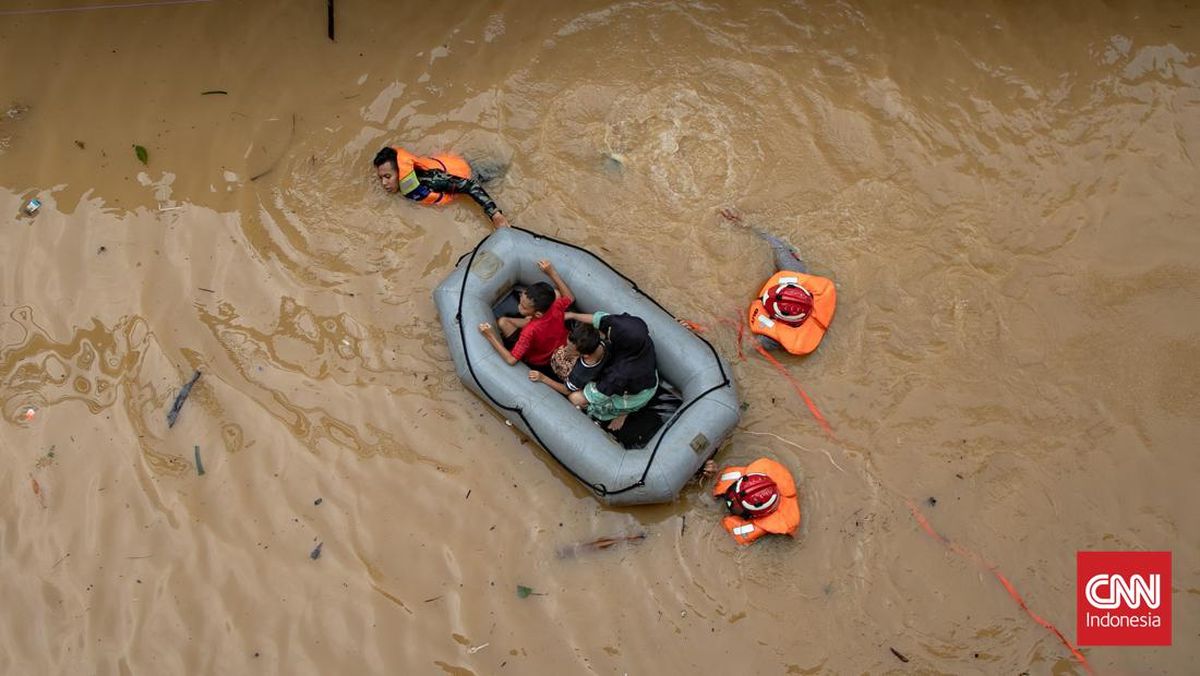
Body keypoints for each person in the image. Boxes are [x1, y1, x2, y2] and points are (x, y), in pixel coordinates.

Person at [721, 207, 836, 355]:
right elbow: (777, 246)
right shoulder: (796, 273)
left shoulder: (768, 339)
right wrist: (744, 223)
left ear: (777, 318)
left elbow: (740, 350)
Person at [557, 310, 658, 431]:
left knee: (576, 398)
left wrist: (542, 378)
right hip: (645, 373)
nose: (604, 332)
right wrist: (573, 315)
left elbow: (597, 393)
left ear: (585, 355)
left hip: (635, 393)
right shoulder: (635, 335)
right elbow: (602, 320)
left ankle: (623, 412)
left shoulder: (620, 373)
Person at [373, 145, 510, 229]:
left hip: (476, 173)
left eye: (387, 177)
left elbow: (470, 186)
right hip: (453, 169)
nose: (384, 183)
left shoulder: (431, 181)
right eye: (381, 178)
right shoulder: (407, 182)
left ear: (401, 173)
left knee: (505, 170)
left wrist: (495, 215)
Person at [478, 260, 573, 370]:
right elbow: (570, 298)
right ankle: (530, 318)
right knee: (556, 293)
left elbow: (511, 360)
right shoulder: (556, 307)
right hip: (558, 341)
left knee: (502, 322)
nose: (518, 306)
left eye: (523, 307)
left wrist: (490, 335)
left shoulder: (528, 332)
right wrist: (551, 272)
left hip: (540, 360)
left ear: (537, 314)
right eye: (520, 300)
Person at [710, 456, 801, 545]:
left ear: (756, 515)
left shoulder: (783, 522)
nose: (731, 503)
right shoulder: (748, 481)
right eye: (731, 495)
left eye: (738, 508)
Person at [529, 321, 608, 396]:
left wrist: (543, 378)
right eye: (567, 344)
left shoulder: (581, 372)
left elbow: (566, 390)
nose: (566, 349)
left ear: (585, 355)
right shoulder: (598, 342)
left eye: (570, 350)